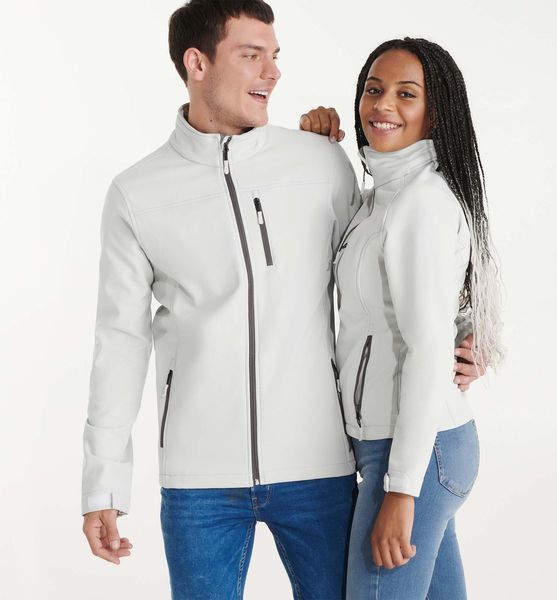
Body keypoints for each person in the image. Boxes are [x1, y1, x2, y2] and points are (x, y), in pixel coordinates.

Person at [80, 1, 483, 595]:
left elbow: (397, 256)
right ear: (197, 63)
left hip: (321, 461)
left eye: (275, 56)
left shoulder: (320, 163)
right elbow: (119, 341)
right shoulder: (137, 193)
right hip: (198, 478)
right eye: (252, 56)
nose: (272, 72)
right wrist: (103, 484)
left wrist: (465, 334)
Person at [300, 38, 503, 599]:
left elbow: (427, 348)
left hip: (415, 450)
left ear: (435, 113)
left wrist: (401, 490)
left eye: (406, 94)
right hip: (407, 446)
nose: (383, 104)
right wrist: (315, 147)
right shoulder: (380, 199)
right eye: (374, 89)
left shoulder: (420, 202)